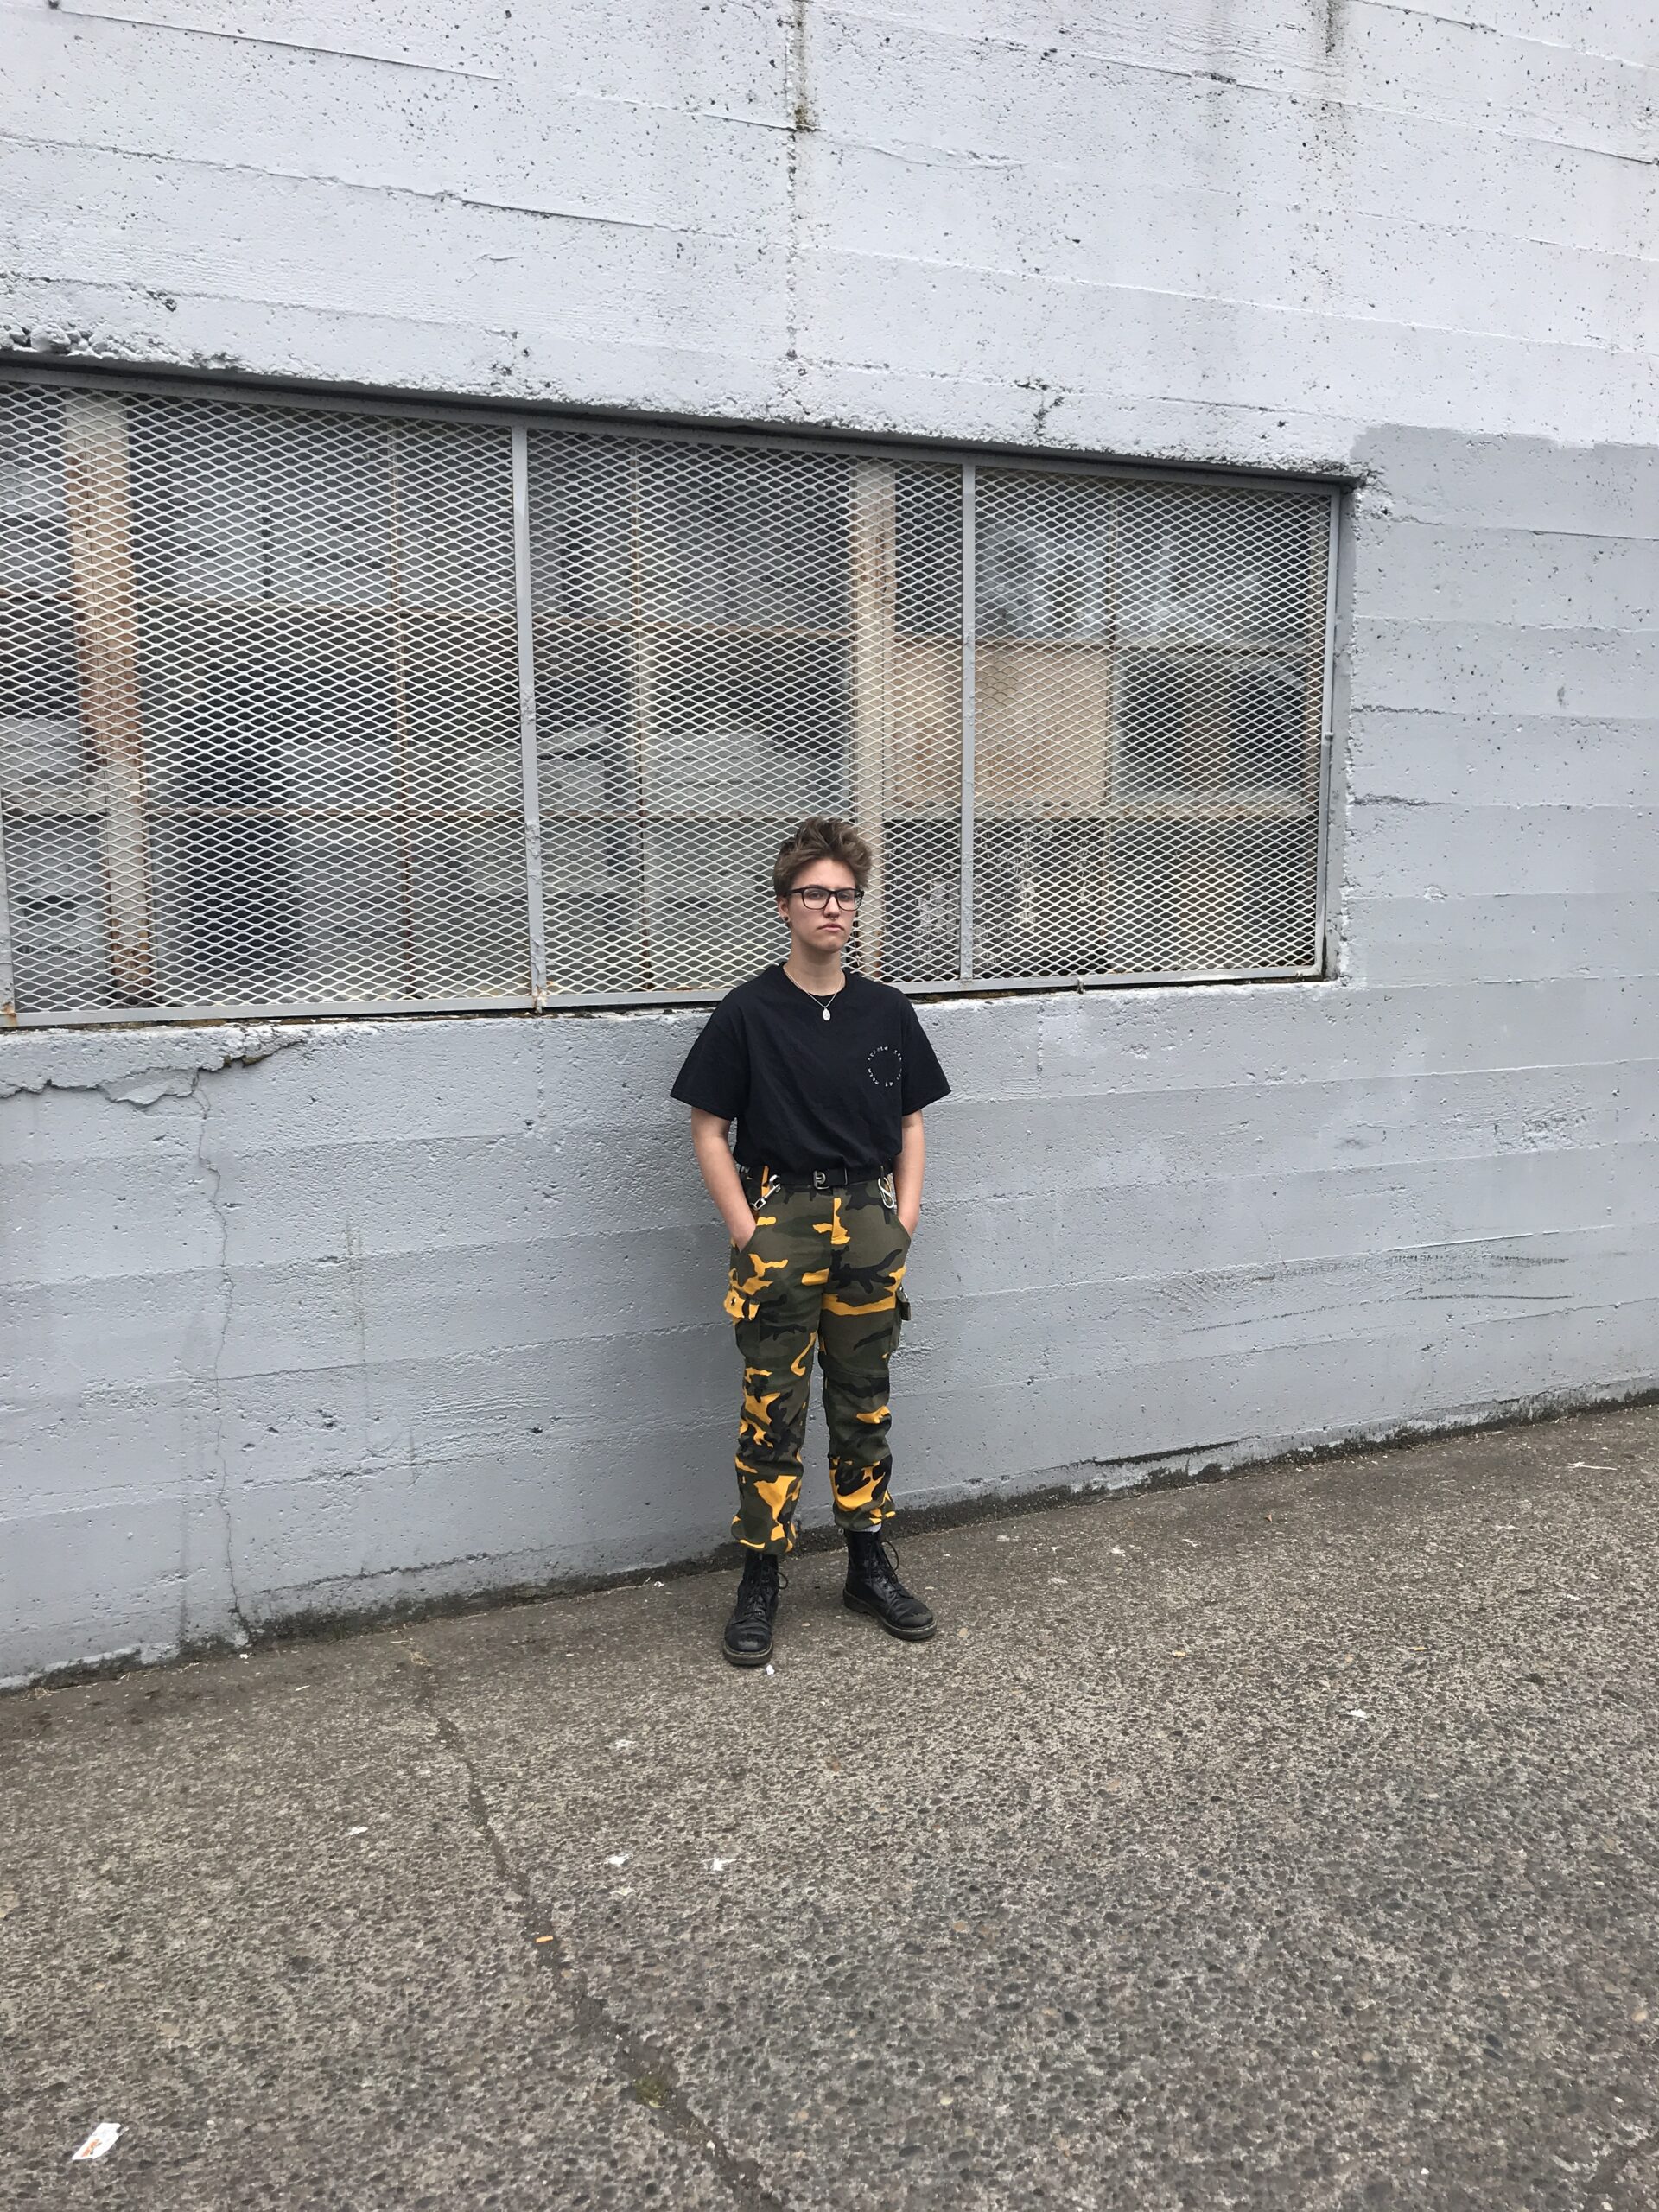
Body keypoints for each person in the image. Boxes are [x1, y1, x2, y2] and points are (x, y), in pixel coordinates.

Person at [670, 817, 952, 1668]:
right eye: (814, 894)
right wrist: (747, 1231)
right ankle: (763, 1572)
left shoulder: (887, 1011)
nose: (832, 907)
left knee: (863, 1398)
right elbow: (709, 1129)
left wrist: (902, 1219)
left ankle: (868, 1560)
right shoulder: (749, 1013)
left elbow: (910, 1122)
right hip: (782, 1223)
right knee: (773, 1406)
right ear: (785, 905)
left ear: (857, 906)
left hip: (868, 1223)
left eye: (845, 894)